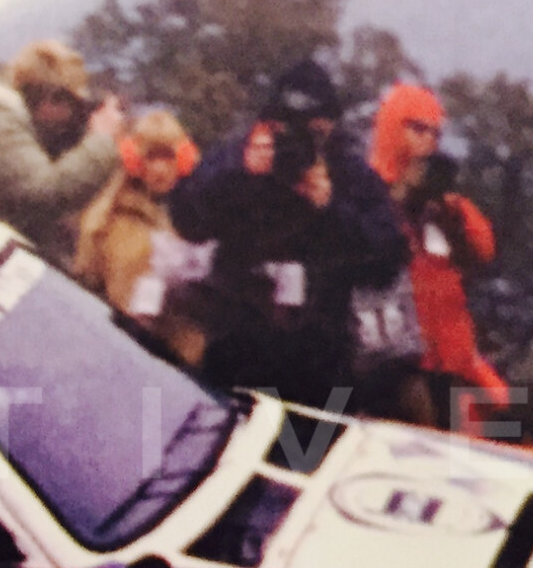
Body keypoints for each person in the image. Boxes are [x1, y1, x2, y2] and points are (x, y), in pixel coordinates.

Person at [168, 60, 406, 411]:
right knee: (231, 441)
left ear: (331, 127)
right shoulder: (241, 156)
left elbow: (388, 261)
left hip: (321, 358)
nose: (297, 142)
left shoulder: (349, 173)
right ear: (268, 124)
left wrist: (331, 208)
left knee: (314, 444)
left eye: (313, 132)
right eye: (287, 128)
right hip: (238, 347)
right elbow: (185, 219)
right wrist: (238, 174)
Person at [367, 82, 509, 433]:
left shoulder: (444, 208)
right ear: (393, 127)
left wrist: (449, 208)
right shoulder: (367, 198)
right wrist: (398, 198)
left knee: (522, 416)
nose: (429, 141)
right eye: (418, 129)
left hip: (454, 366)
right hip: (395, 369)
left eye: (435, 133)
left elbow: (483, 250)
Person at [0, 39, 125, 269]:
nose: (75, 117)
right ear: (50, 99)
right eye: (72, 104)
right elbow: (48, 192)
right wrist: (101, 140)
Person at [69, 107, 209, 363]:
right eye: (151, 158)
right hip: (124, 351)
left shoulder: (192, 218)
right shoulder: (113, 221)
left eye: (168, 157)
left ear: (184, 159)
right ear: (134, 161)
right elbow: (105, 296)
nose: (160, 168)